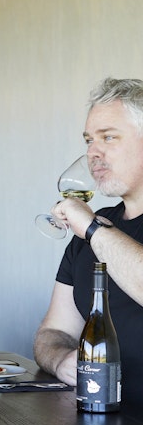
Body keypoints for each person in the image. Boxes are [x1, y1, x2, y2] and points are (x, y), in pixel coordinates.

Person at [34, 78, 143, 398]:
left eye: (108, 137)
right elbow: (53, 331)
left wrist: (93, 228)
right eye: (88, 140)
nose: (93, 152)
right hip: (97, 414)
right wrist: (62, 360)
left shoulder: (93, 229)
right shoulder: (91, 231)